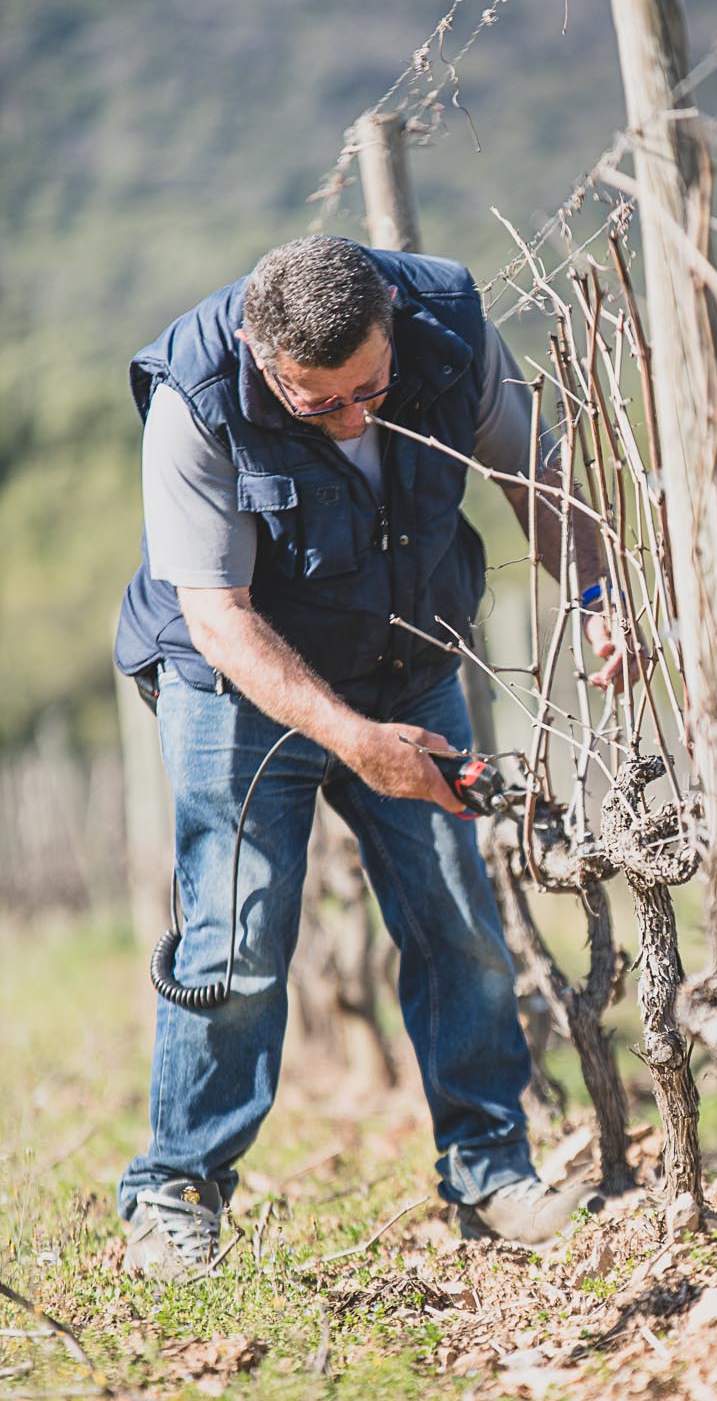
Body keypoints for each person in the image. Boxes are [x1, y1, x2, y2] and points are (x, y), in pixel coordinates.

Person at [114, 235, 621, 1277]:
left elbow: (538, 475)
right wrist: (351, 739)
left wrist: (599, 598)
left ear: (391, 315)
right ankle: (176, 1192)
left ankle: (489, 1169)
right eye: (319, 405)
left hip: (407, 658)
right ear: (261, 353)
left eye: (371, 390)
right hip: (239, 685)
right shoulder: (194, 397)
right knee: (238, 939)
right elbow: (217, 614)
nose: (354, 417)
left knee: (459, 921)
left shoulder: (448, 329)